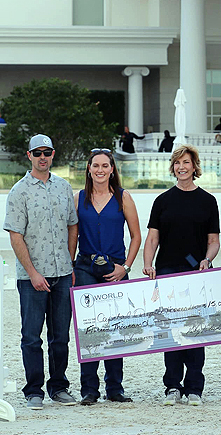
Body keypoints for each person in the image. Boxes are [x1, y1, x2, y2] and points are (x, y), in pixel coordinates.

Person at [3, 134, 79, 409]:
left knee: (60, 336)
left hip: (62, 274)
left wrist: (70, 262)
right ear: (29, 156)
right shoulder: (19, 191)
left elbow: (73, 225)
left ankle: (58, 387)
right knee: (32, 337)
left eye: (47, 152)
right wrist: (33, 273)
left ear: (53, 154)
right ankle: (33, 390)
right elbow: (15, 236)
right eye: (38, 153)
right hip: (31, 277)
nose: (43, 157)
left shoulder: (63, 187)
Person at [142, 144, 220, 406]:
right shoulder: (162, 201)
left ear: (194, 166)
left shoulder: (208, 201)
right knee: (170, 330)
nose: (181, 167)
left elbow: (214, 240)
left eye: (186, 162)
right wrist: (147, 263)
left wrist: (207, 260)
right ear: (173, 167)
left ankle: (195, 387)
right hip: (166, 271)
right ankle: (173, 387)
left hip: (196, 273)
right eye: (177, 163)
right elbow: (152, 238)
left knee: (196, 330)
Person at [74, 149, 142, 405]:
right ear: (89, 169)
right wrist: (71, 267)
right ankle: (89, 389)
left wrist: (125, 266)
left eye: (105, 165)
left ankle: (115, 387)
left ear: (112, 169)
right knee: (89, 330)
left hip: (115, 269)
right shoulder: (78, 198)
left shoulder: (124, 198)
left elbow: (136, 236)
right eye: (96, 166)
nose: (100, 170)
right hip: (85, 268)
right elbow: (73, 235)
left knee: (115, 329)